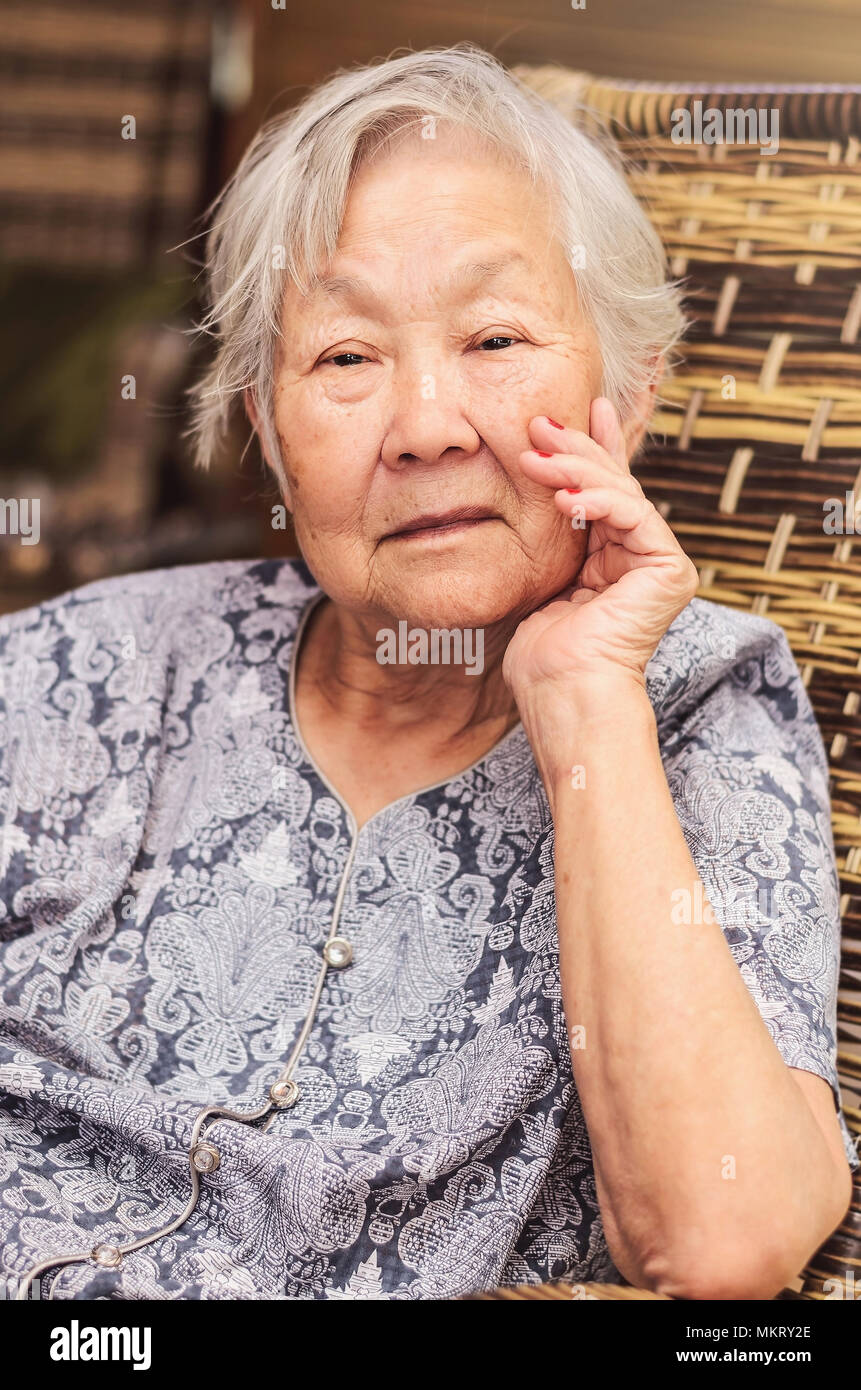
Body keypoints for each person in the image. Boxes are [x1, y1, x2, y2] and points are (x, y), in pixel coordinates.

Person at [0, 44, 855, 1303]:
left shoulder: (698, 710)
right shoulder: (80, 664)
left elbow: (726, 1240)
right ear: (267, 434)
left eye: (496, 335)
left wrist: (584, 708)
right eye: (345, 357)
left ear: (628, 392)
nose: (428, 425)